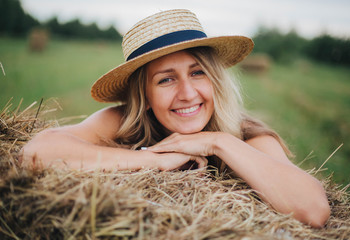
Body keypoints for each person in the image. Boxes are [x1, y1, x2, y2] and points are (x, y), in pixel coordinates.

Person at [21, 9, 330, 227]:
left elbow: (313, 211)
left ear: (215, 81)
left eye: (198, 73)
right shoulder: (124, 121)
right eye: (166, 79)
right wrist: (156, 162)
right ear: (144, 95)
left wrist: (217, 142)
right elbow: (37, 153)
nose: (187, 93)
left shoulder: (247, 136)